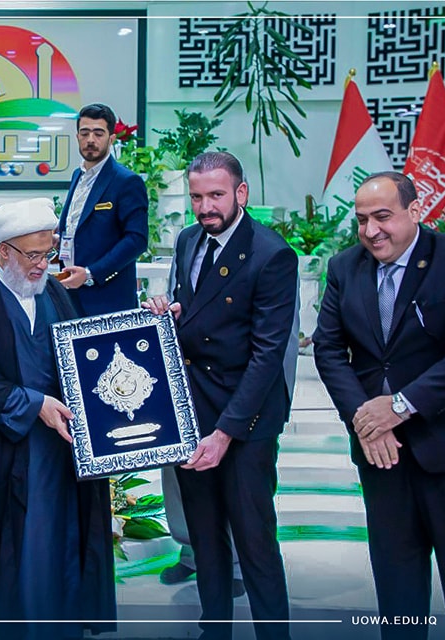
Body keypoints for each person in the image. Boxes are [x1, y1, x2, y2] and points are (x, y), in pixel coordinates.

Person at [312, 172, 445, 639]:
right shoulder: (344, 268)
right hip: (384, 458)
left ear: (415, 210)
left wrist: (400, 406)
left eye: (383, 217)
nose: (371, 231)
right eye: (362, 220)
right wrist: (366, 420)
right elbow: (328, 349)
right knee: (398, 598)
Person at [0, 198, 115, 640]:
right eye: (32, 255)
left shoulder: (53, 292)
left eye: (47, 253)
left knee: (57, 543)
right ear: (4, 252)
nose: (42, 265)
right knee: (11, 551)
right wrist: (34, 404)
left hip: (56, 451)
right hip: (2, 453)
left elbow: (81, 359)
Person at [144, 151, 297, 640]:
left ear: (241, 193)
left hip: (245, 420)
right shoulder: (188, 239)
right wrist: (169, 312)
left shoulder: (272, 254)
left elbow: (267, 356)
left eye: (215, 195)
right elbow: (196, 311)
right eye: (196, 197)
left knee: (254, 540)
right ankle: (214, 629)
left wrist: (226, 433)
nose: (205, 207)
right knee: (205, 536)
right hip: (193, 412)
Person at [56, 102, 148, 316]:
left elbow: (137, 239)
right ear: (77, 137)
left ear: (111, 138)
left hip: (108, 299)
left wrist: (90, 273)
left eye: (98, 134)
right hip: (71, 293)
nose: (90, 139)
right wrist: (58, 238)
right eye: (84, 133)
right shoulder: (77, 175)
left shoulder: (126, 181)